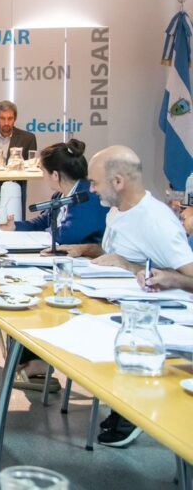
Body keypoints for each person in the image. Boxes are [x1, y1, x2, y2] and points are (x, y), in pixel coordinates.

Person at [60, 145, 193, 448]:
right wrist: (86, 250)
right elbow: (118, 254)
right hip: (121, 299)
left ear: (118, 181)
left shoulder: (156, 221)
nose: (92, 190)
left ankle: (135, 405)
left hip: (164, 315)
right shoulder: (117, 211)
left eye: (95, 183)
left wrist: (149, 272)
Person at [0, 139, 108, 393]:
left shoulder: (87, 198)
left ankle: (34, 364)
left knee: (31, 294)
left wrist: (41, 236)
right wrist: (15, 227)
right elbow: (43, 222)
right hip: (62, 264)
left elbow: (68, 236)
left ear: (56, 175)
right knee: (18, 285)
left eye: (43, 171)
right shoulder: (61, 195)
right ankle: (30, 363)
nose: (42, 176)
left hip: (87, 269)